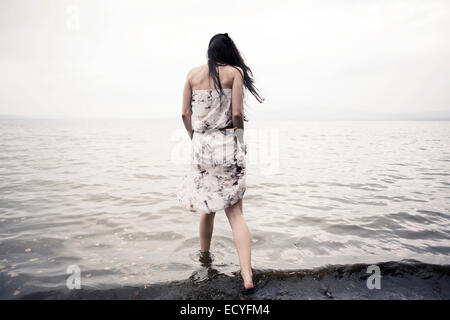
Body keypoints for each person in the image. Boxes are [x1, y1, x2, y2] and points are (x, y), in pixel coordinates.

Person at [177, 33, 263, 293]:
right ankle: (246, 275)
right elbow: (236, 114)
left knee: (207, 208)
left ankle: (205, 261)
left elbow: (184, 113)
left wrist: (195, 137)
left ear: (209, 52)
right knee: (236, 214)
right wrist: (241, 142)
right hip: (227, 143)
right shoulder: (234, 72)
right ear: (229, 52)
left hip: (202, 146)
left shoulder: (192, 74)